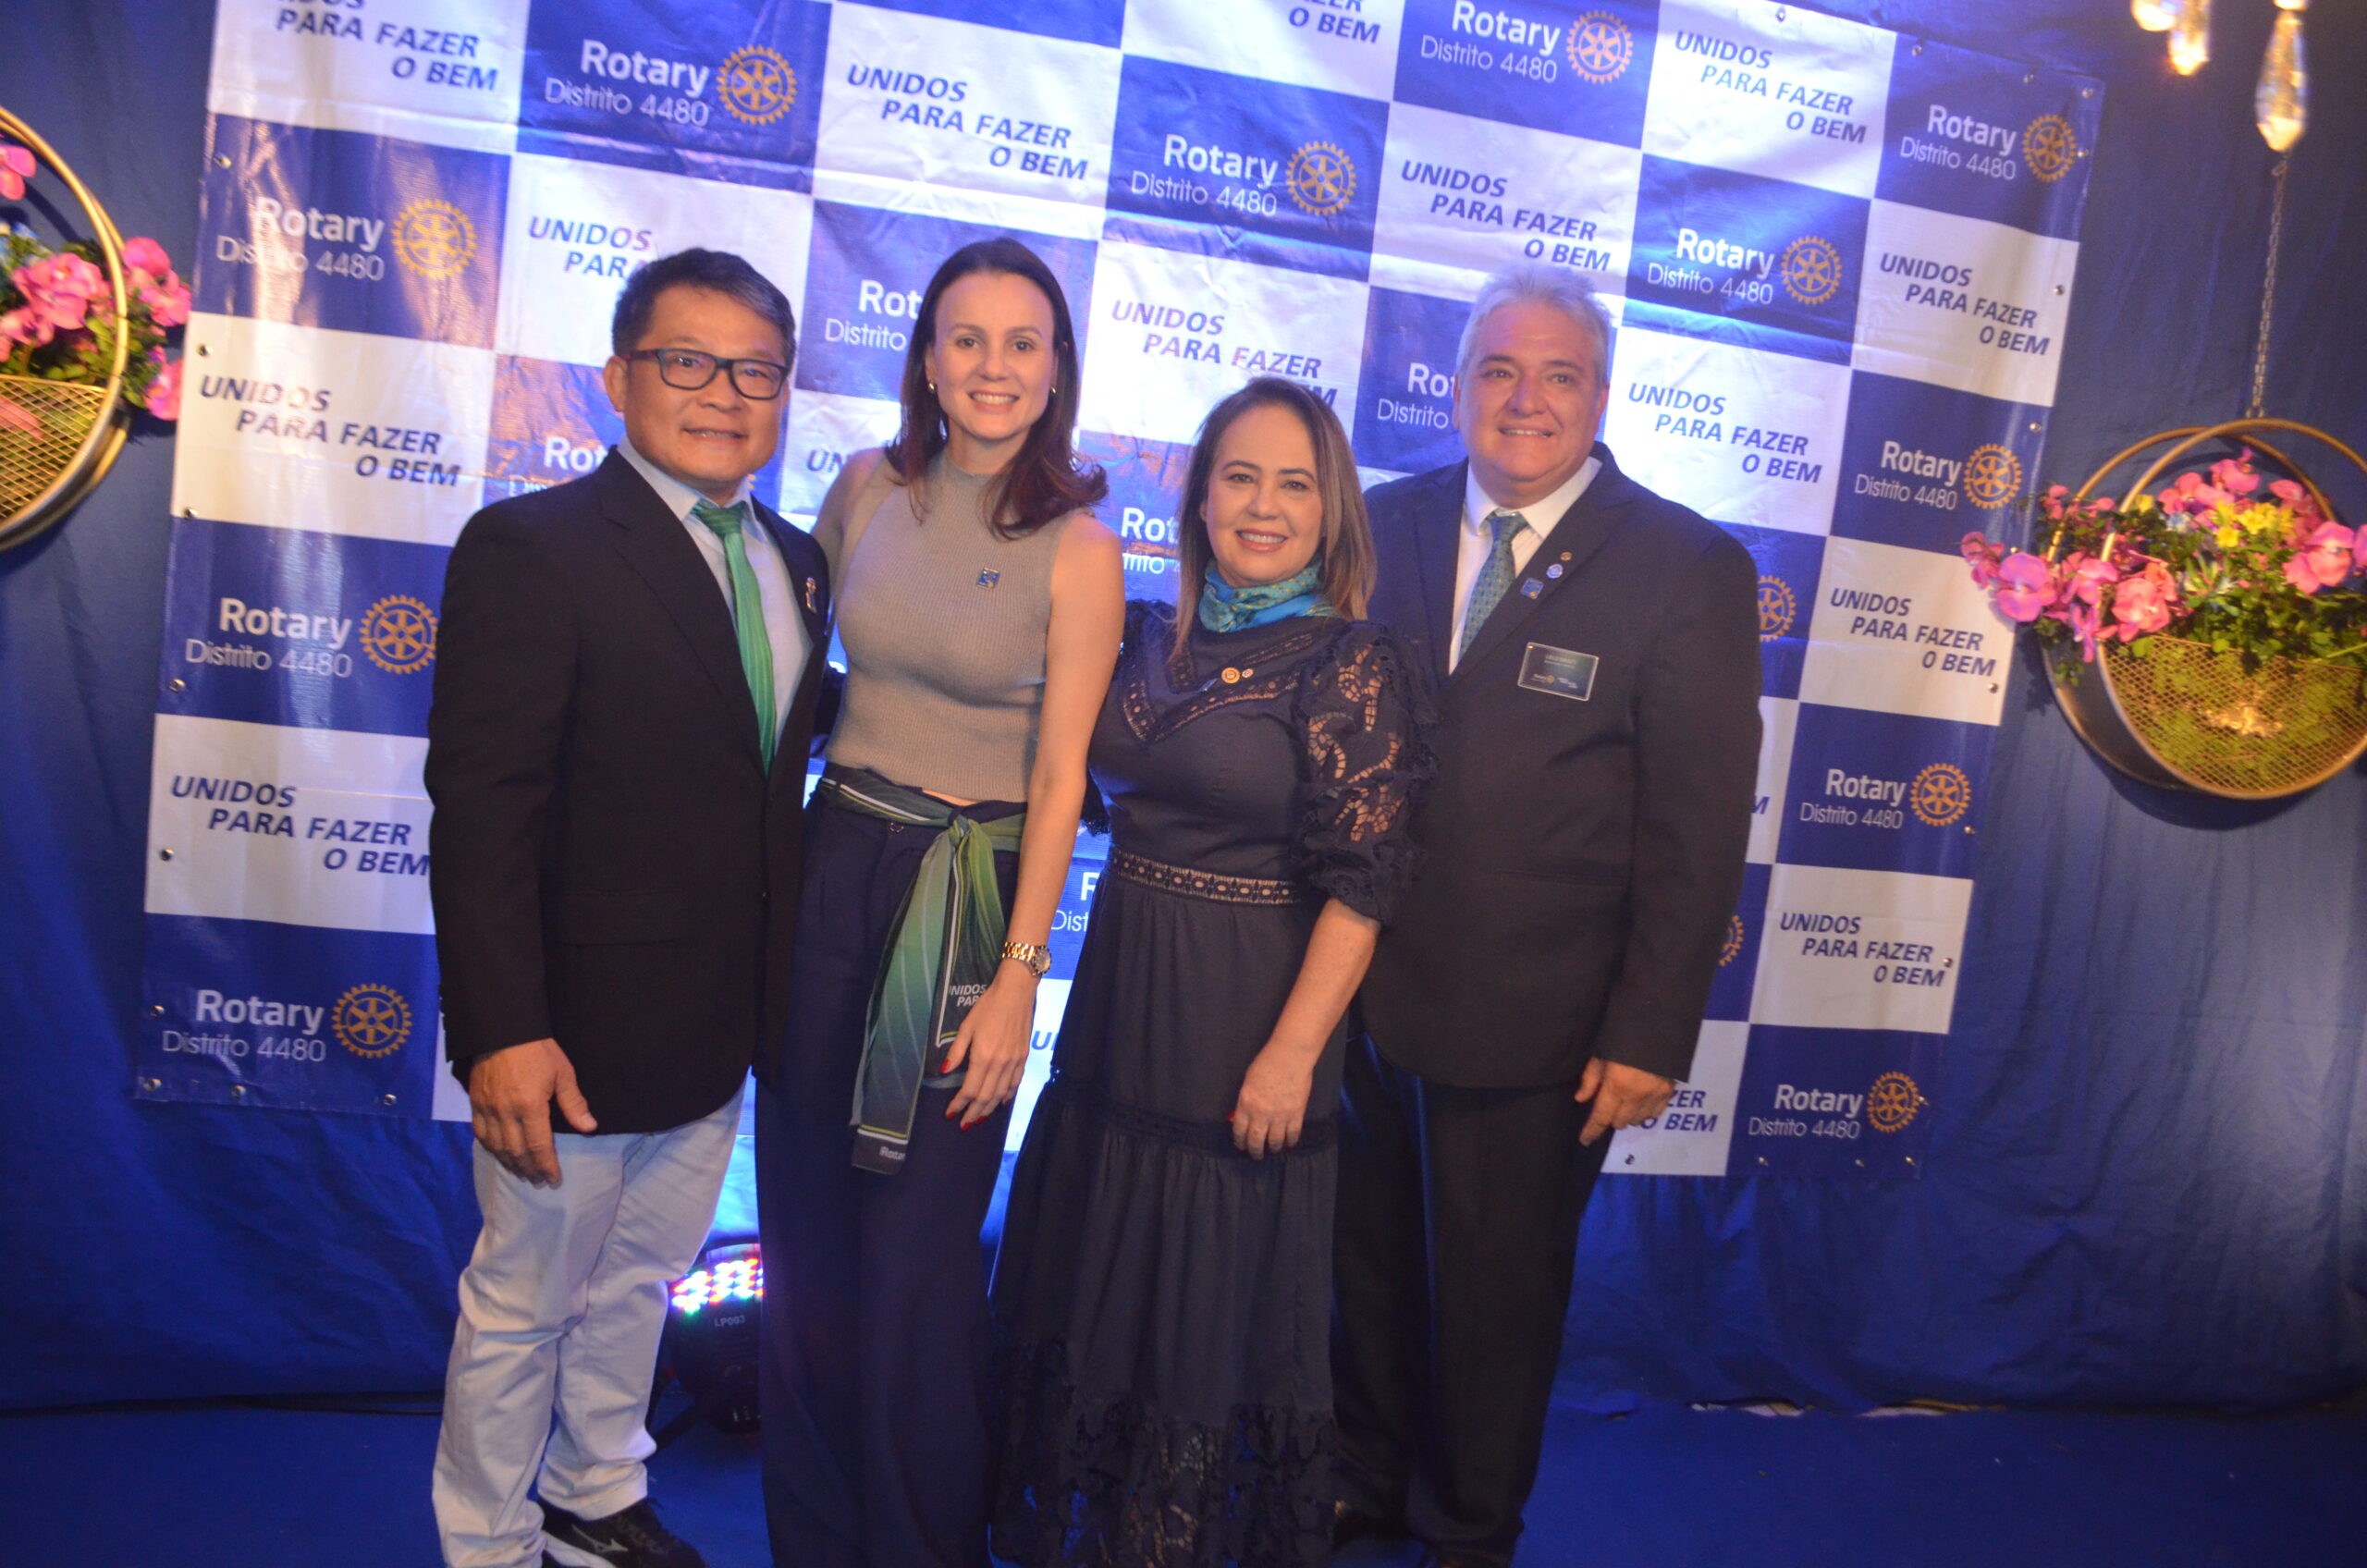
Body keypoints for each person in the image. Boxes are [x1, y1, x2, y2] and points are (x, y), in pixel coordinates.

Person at [1331, 264, 1760, 1568]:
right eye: (1499, 371)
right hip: (1351, 994)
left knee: (1495, 1302)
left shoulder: (1686, 565)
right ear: (1456, 389)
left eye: (1558, 375)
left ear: (1603, 397)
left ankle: (1467, 1531)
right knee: (1360, 1267)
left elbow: (1696, 829)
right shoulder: (1377, 522)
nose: (1526, 400)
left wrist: (1650, 1033)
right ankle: (1360, 1488)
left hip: (1539, 1022)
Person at [425, 249, 830, 1568]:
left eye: (756, 371)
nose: (723, 394)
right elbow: (483, 809)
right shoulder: (532, 548)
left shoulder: (797, 561)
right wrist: (502, 1029)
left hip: (719, 1022)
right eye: (686, 361)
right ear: (617, 376)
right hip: (570, 1033)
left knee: (639, 1285)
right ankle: (488, 1541)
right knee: (524, 1300)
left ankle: (593, 1493)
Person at [991, 376, 1434, 1568]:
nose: (1264, 506)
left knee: (1205, 1307)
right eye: (1240, 477)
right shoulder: (1147, 636)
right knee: (1100, 1280)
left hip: (1248, 1026)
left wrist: (1293, 1054)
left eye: (1295, 484)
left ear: (1332, 512)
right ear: (1198, 498)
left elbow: (1365, 886)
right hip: (1119, 1016)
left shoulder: (1354, 663)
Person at [757, 236, 1125, 1568]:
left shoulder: (1081, 547)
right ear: (926, 358)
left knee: (915, 1265)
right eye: (967, 339)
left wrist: (1021, 976)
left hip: (969, 901)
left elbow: (1062, 778)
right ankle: (815, 1540)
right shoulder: (866, 486)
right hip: (833, 868)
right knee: (806, 1235)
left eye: (1023, 343)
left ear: (1056, 370)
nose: (993, 367)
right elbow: (801, 685)